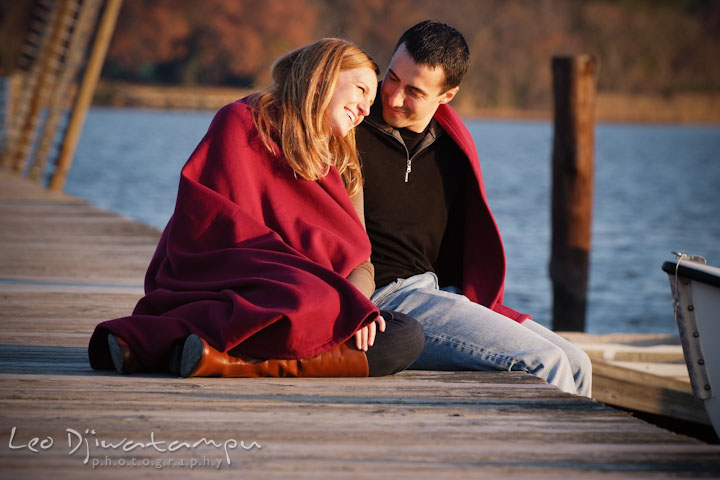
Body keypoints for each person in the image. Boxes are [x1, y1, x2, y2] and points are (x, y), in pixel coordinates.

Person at [88, 38, 425, 378]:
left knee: (405, 335)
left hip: (317, 297)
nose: (366, 108)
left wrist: (355, 307)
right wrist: (314, 292)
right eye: (361, 90)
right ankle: (204, 351)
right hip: (243, 286)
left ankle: (210, 357)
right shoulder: (244, 122)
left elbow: (361, 261)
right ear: (324, 76)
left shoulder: (345, 166)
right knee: (308, 300)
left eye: (370, 100)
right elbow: (212, 225)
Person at [355, 21, 592, 396]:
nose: (394, 97)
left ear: (447, 96)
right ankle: (546, 455)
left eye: (414, 90)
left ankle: (573, 455)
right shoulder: (350, 130)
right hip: (383, 297)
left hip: (440, 292)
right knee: (545, 362)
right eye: (392, 78)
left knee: (577, 362)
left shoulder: (452, 149)